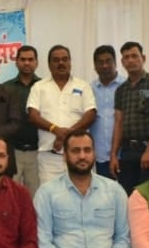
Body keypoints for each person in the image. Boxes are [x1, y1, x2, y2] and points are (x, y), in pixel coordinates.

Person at [27, 45, 97, 185]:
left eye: (65, 59)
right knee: (50, 195)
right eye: (56, 60)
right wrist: (55, 129)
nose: (61, 63)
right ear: (49, 64)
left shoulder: (83, 86)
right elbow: (33, 116)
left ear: (70, 62)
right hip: (49, 158)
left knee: (83, 192)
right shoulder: (39, 87)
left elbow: (91, 114)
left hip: (80, 155)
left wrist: (65, 135)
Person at [110, 41, 149, 193]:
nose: (130, 60)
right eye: (126, 57)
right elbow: (118, 123)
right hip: (127, 151)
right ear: (122, 62)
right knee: (128, 197)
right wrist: (114, 155)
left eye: (134, 56)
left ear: (143, 58)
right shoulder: (121, 90)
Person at [4, 45, 42, 196]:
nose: (27, 63)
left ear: (36, 62)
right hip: (13, 152)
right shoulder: (6, 88)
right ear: (16, 62)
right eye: (23, 59)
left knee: (36, 198)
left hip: (38, 152)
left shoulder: (44, 87)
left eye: (30, 59)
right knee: (10, 196)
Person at [89, 45, 125, 179]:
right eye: (100, 62)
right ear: (95, 66)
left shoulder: (126, 86)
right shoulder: (89, 89)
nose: (105, 65)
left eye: (108, 61)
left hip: (123, 154)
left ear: (115, 62)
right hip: (98, 156)